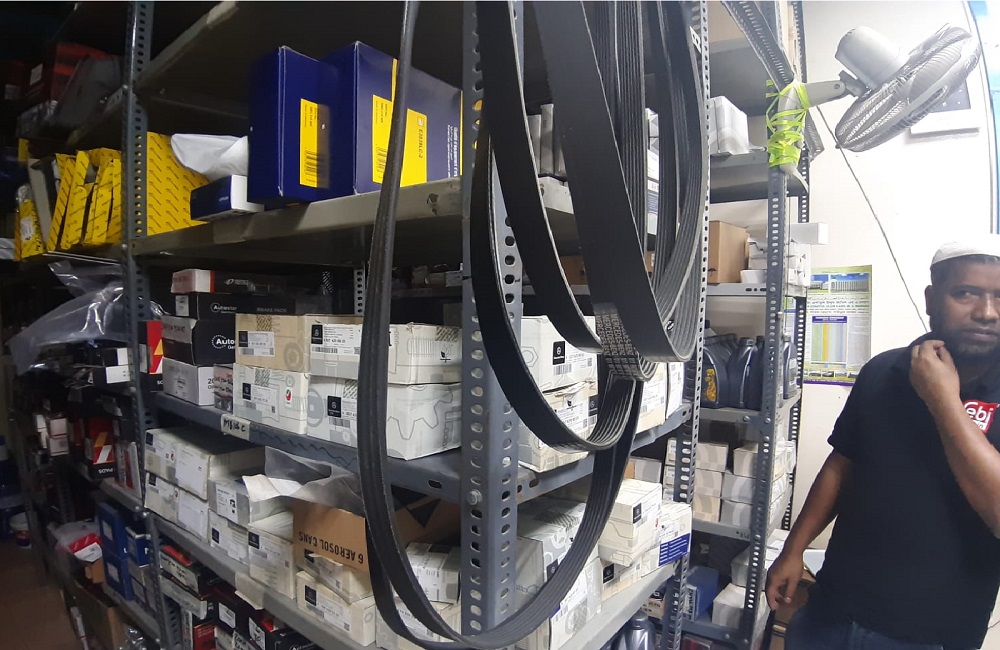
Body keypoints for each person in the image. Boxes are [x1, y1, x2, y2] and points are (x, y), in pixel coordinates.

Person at [766, 241, 1000, 650]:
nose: (987, 312)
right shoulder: (883, 371)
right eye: (966, 293)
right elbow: (842, 464)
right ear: (931, 299)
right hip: (830, 613)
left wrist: (943, 400)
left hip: (930, 636)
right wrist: (794, 548)